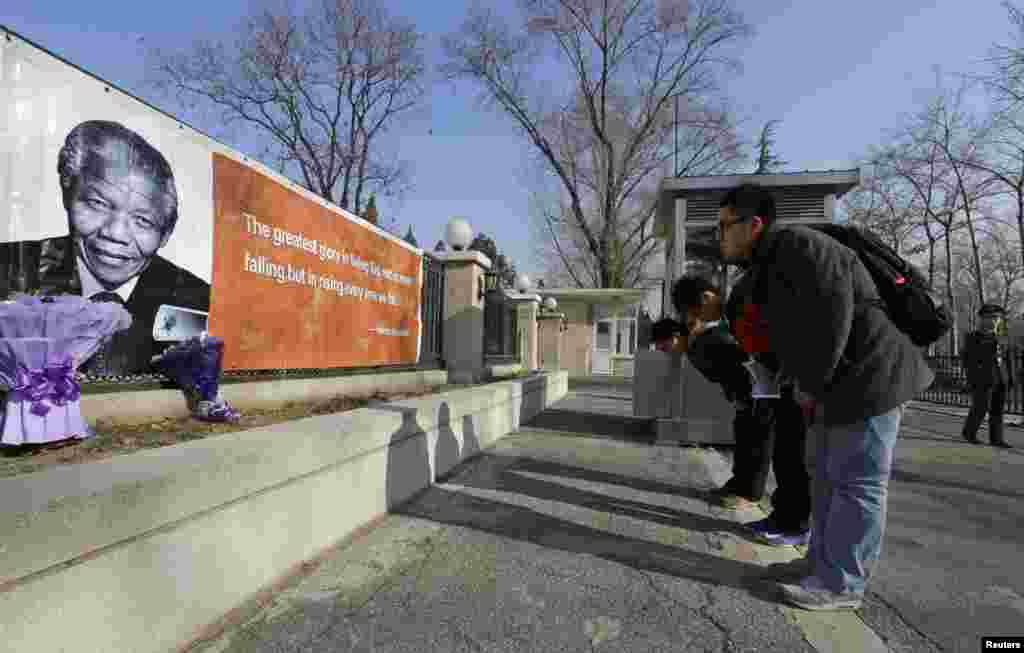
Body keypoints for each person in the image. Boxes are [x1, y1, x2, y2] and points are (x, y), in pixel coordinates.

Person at [717, 183, 934, 611]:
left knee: (857, 484)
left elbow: (833, 314)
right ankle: (819, 566)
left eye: (725, 226)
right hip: (838, 385)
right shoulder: (768, 261)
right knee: (826, 479)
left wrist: (808, 384)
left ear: (753, 224)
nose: (719, 236)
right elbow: (790, 331)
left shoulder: (798, 245)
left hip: (872, 379)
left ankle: (842, 584)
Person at [2, 120, 210, 374]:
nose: (115, 233)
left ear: (165, 234)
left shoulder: (197, 299)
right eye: (98, 204)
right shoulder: (10, 267)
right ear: (68, 194)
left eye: (143, 220)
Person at [672, 275, 812, 547]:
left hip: (786, 380)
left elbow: (759, 350)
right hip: (768, 382)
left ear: (705, 298)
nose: (698, 318)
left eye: (695, 311)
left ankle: (793, 523)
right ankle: (769, 507)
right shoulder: (729, 313)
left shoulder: (742, 304)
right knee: (769, 443)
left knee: (789, 452)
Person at [961, 304, 1014, 448]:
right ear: (982, 319)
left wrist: (1010, 378)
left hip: (1000, 378)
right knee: (981, 407)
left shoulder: (1002, 337)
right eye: (990, 318)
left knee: (998, 410)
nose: (994, 321)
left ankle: (996, 439)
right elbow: (969, 361)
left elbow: (1008, 359)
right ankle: (969, 432)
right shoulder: (973, 337)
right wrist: (971, 379)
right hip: (983, 379)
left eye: (997, 318)